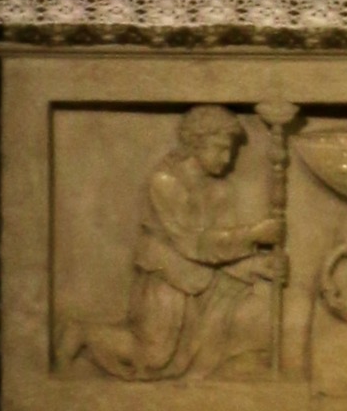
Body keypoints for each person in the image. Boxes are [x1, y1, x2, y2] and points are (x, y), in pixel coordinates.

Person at [92, 110, 282, 378]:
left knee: (214, 345)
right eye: (219, 149)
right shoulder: (166, 182)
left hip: (198, 280)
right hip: (166, 277)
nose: (226, 158)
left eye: (230, 151)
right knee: (154, 356)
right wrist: (253, 234)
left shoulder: (217, 187)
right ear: (195, 143)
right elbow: (193, 243)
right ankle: (83, 334)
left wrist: (257, 264)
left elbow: (218, 247)